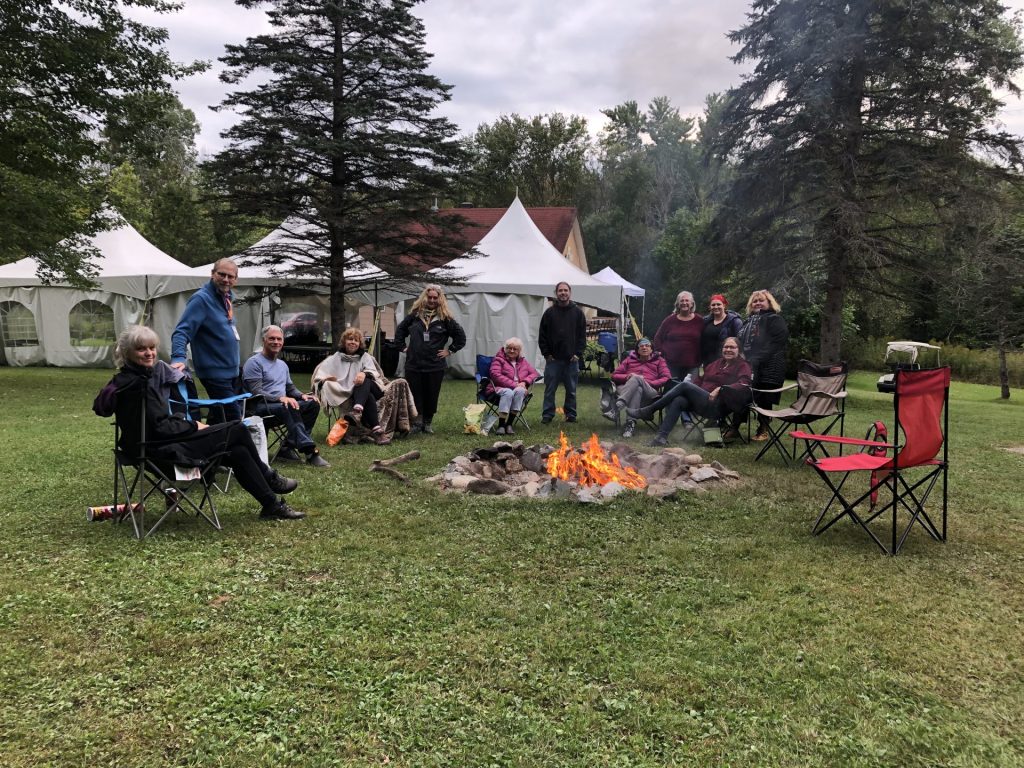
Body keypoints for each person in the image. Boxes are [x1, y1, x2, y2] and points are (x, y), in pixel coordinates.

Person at [96, 326, 304, 520]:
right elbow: (160, 428)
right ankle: (270, 477)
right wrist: (195, 426)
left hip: (142, 447)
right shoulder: (140, 385)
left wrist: (183, 422)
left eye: (152, 348)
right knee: (237, 428)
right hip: (161, 451)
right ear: (127, 352)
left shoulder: (123, 380)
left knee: (238, 452)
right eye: (141, 349)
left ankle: (271, 505)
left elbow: (152, 422)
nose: (149, 353)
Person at [630, 337, 752, 447]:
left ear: (739, 350)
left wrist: (721, 389)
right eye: (726, 347)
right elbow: (699, 380)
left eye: (732, 347)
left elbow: (744, 383)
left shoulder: (742, 365)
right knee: (679, 400)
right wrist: (692, 391)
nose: (728, 350)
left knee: (684, 385)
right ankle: (661, 437)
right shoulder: (716, 364)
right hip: (703, 401)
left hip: (720, 405)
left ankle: (649, 410)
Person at [311, 327, 417, 445]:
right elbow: (320, 375)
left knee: (364, 381)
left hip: (374, 388)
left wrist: (363, 373)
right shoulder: (335, 358)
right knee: (368, 397)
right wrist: (326, 380)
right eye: (350, 339)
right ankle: (377, 432)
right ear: (344, 341)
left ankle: (356, 412)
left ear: (359, 343)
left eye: (356, 340)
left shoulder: (365, 357)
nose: (353, 342)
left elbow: (375, 374)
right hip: (357, 393)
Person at [242, 325, 329, 467]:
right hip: (258, 409)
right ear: (263, 341)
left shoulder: (282, 365)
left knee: (313, 404)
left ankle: (287, 447)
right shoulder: (254, 363)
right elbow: (255, 392)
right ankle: (310, 452)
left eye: (279, 339)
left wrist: (302, 396)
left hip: (282, 408)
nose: (276, 342)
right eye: (272, 338)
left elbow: (290, 389)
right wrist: (280, 398)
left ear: (283, 342)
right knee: (288, 405)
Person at [171, 258, 243, 423]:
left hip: (231, 372)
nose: (226, 279)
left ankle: (207, 446)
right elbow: (181, 332)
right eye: (221, 274)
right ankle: (229, 448)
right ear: (212, 274)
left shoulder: (227, 298)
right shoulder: (201, 299)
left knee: (219, 417)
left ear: (235, 279)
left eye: (230, 276)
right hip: (215, 373)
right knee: (233, 417)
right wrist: (178, 358)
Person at [393, 285, 466, 434]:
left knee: (431, 394)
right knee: (415, 394)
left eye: (435, 297)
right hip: (414, 364)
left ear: (440, 299)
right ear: (424, 298)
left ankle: (427, 423)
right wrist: (403, 347)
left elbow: (461, 337)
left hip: (435, 365)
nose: (432, 300)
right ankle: (417, 422)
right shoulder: (414, 315)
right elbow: (400, 331)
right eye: (430, 297)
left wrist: (449, 351)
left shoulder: (445, 318)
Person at [737, 289, 789, 441]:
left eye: (761, 300)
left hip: (770, 365)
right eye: (755, 301)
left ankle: (763, 429)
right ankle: (734, 427)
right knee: (743, 392)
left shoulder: (775, 319)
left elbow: (777, 342)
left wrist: (757, 358)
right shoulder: (748, 321)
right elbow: (740, 342)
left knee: (764, 398)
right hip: (750, 364)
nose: (758, 303)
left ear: (769, 303)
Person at [538, 281, 587, 424]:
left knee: (571, 390)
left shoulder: (578, 313)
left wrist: (578, 353)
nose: (563, 293)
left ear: (570, 293)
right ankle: (547, 415)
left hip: (571, 360)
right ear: (556, 293)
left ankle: (571, 415)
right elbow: (542, 336)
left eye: (565, 290)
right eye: (560, 290)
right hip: (553, 360)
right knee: (549, 390)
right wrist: (546, 354)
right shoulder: (549, 313)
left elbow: (582, 337)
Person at [606, 338, 671, 438]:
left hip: (650, 392)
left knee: (637, 378)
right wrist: (627, 377)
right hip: (627, 389)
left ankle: (617, 407)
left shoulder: (659, 361)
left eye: (647, 345)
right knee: (637, 390)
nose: (644, 347)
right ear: (637, 350)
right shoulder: (629, 360)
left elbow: (667, 378)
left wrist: (649, 383)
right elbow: (615, 375)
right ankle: (630, 425)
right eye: (641, 346)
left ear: (651, 349)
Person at [486, 337, 539, 435]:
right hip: (497, 389)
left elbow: (534, 373)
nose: (512, 350)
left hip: (518, 389)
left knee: (520, 391)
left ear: (519, 351)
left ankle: (509, 424)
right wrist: (515, 385)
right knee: (508, 392)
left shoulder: (523, 362)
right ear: (505, 349)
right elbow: (496, 375)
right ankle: (501, 425)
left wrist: (524, 382)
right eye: (509, 348)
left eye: (515, 349)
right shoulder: (498, 360)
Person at [652, 290, 703, 380]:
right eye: (682, 301)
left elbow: (705, 340)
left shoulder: (699, 321)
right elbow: (658, 337)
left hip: (693, 364)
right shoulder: (670, 320)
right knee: (673, 389)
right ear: (678, 304)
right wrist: (660, 353)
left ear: (692, 304)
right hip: (671, 364)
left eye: (687, 301)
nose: (684, 303)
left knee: (691, 390)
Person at [700, 294, 743, 367]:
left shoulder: (735, 322)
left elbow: (741, 342)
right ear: (710, 307)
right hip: (708, 363)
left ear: (724, 305)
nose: (716, 307)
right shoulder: (705, 321)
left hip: (727, 362)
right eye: (713, 305)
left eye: (718, 304)